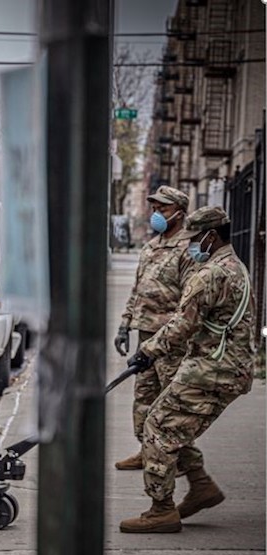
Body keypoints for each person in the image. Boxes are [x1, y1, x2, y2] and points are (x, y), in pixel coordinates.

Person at [120, 206, 256, 534]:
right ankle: (200, 486)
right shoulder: (233, 266)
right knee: (174, 427)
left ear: (210, 237)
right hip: (223, 366)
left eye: (195, 239)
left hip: (214, 369)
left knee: (158, 427)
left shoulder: (210, 274)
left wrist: (148, 351)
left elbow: (182, 323)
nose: (190, 245)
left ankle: (162, 510)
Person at [113, 185, 195, 471]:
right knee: (144, 398)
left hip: (171, 340)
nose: (157, 213)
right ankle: (145, 450)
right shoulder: (151, 246)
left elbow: (191, 300)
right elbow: (138, 290)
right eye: (155, 208)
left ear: (180, 214)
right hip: (144, 335)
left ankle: (182, 463)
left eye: (163, 208)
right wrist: (124, 325)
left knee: (170, 403)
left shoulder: (191, 248)